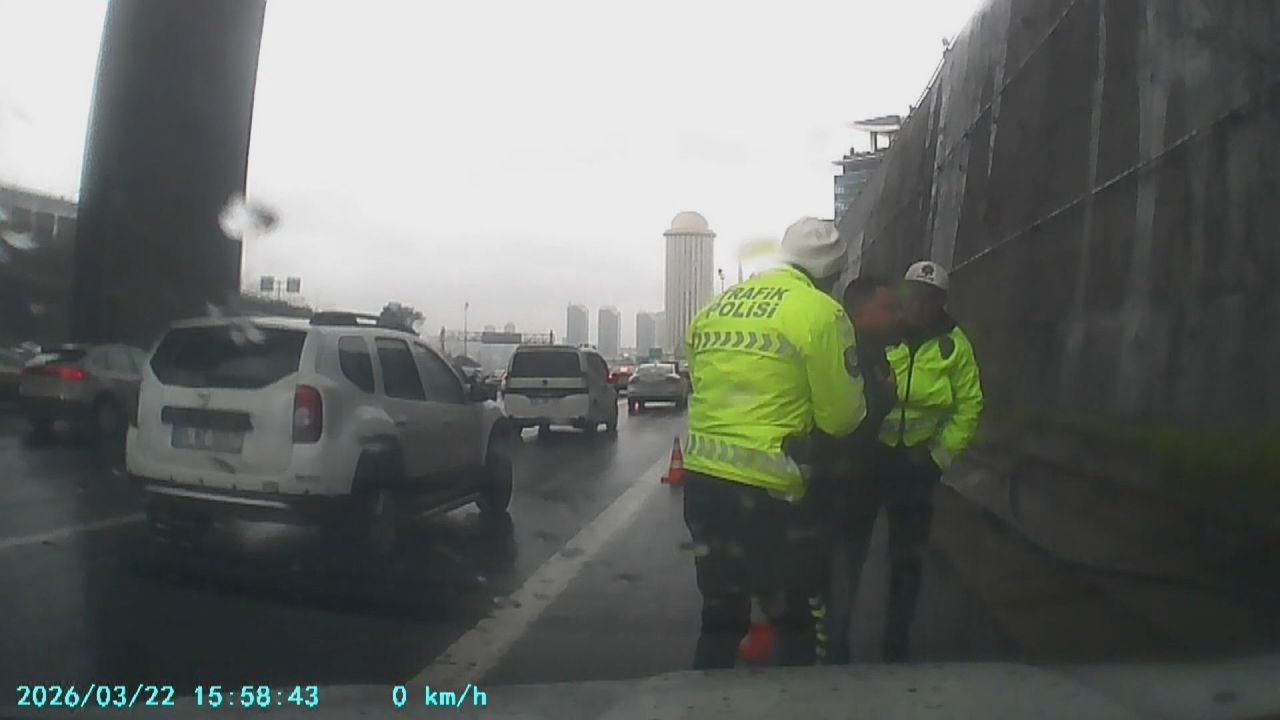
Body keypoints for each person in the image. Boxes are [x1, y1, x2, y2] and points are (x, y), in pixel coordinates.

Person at [682, 217, 867, 669]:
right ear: (831, 274)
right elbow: (842, 419)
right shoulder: (821, 312)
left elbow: (699, 383)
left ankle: (701, 696)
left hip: (702, 484)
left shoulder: (715, 308)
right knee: (793, 620)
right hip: (772, 494)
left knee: (721, 617)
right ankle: (794, 699)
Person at [870, 260, 984, 661]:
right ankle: (833, 638)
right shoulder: (882, 335)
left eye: (929, 299)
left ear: (940, 303)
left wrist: (939, 457)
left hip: (918, 464)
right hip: (871, 458)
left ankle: (895, 641)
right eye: (914, 296)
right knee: (850, 546)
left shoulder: (955, 345)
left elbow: (969, 405)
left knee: (907, 557)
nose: (919, 305)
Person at [816, 275, 903, 665]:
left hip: (850, 489)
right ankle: (830, 660)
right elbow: (848, 422)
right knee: (836, 578)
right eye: (887, 308)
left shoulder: (871, 351)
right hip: (840, 490)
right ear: (861, 311)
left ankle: (824, 651)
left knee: (831, 582)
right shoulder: (852, 354)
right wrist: (885, 396)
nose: (896, 316)